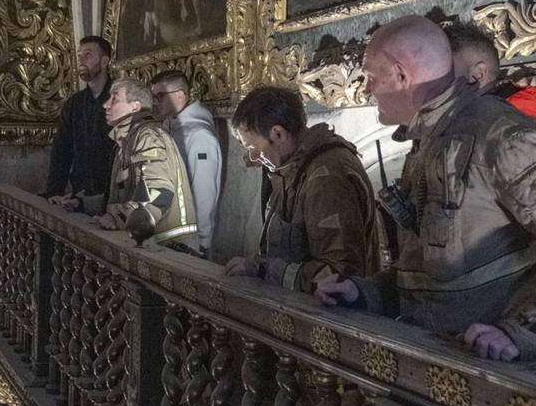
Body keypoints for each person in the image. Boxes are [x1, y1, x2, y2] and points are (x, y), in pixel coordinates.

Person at [315, 16, 536, 366]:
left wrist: (530, 334)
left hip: (510, 383)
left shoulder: (502, 137)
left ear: (401, 76)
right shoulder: (429, 143)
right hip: (445, 366)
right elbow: (433, 277)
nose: (366, 90)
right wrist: (364, 293)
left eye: (371, 78)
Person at [225, 86, 382, 293]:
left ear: (278, 133)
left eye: (252, 148)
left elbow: (339, 274)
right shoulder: (292, 168)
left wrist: (263, 269)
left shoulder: (326, 178)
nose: (252, 159)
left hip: (325, 318)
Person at [92, 78, 200, 255]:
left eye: (114, 99)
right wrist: (81, 203)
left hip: (170, 247)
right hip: (154, 245)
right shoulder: (128, 140)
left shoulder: (149, 136)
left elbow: (159, 193)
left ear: (135, 106)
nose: (106, 105)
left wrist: (118, 217)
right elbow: (122, 195)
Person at [446, 22, 536, 139]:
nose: (435, 82)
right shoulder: (515, 113)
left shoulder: (505, 125)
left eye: (445, 72)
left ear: (478, 74)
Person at [150, 70, 221, 256]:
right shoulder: (172, 125)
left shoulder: (199, 136)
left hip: (190, 241)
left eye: (159, 96)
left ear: (180, 95)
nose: (154, 103)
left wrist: (202, 241)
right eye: (153, 97)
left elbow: (204, 190)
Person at [46, 37, 117, 211]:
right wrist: (54, 191)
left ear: (105, 61)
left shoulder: (121, 100)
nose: (81, 61)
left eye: (88, 55)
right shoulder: (74, 104)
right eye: (79, 56)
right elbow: (61, 150)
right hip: (81, 193)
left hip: (114, 197)